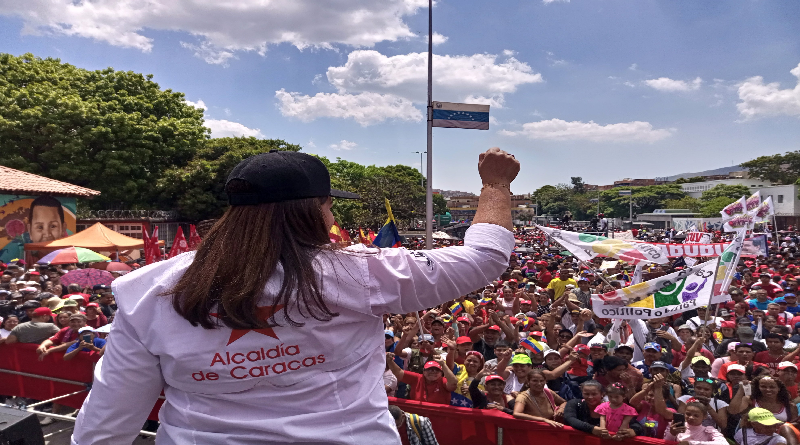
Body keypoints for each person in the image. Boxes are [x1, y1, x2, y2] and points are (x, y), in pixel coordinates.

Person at [72, 147, 521, 444]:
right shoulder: (361, 273)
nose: (331, 214)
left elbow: (106, 425)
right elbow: (484, 257)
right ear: (313, 209)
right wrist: (495, 185)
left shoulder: (145, 291)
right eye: (329, 204)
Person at [729, 375, 798, 423]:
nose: (768, 389)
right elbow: (733, 411)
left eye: (772, 387)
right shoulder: (750, 400)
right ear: (758, 387)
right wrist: (741, 389)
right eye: (763, 386)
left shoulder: (789, 406)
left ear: (779, 389)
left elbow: (792, 426)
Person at [664, 401, 729, 445]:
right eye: (688, 414)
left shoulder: (708, 430)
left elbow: (723, 443)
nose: (691, 417)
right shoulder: (675, 426)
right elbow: (665, 443)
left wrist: (691, 443)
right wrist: (672, 434)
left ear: (704, 416)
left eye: (696, 415)